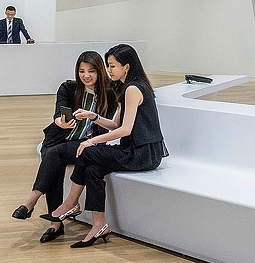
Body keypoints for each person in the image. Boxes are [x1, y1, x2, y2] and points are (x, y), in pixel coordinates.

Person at [43, 44, 168, 247]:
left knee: (87, 152)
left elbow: (125, 130)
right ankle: (99, 225)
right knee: (93, 169)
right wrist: (93, 117)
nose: (108, 71)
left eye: (112, 66)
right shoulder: (125, 87)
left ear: (126, 66)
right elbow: (115, 125)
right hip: (133, 150)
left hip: (142, 154)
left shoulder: (133, 89)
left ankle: (71, 203)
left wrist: (91, 140)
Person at [10, 51, 117, 243]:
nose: (86, 75)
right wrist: (60, 122)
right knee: (53, 158)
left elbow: (109, 124)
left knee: (54, 155)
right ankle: (56, 224)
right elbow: (59, 112)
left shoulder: (109, 94)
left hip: (84, 145)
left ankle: (32, 201)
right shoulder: (68, 88)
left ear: (100, 72)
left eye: (91, 71)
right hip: (57, 138)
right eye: (82, 71)